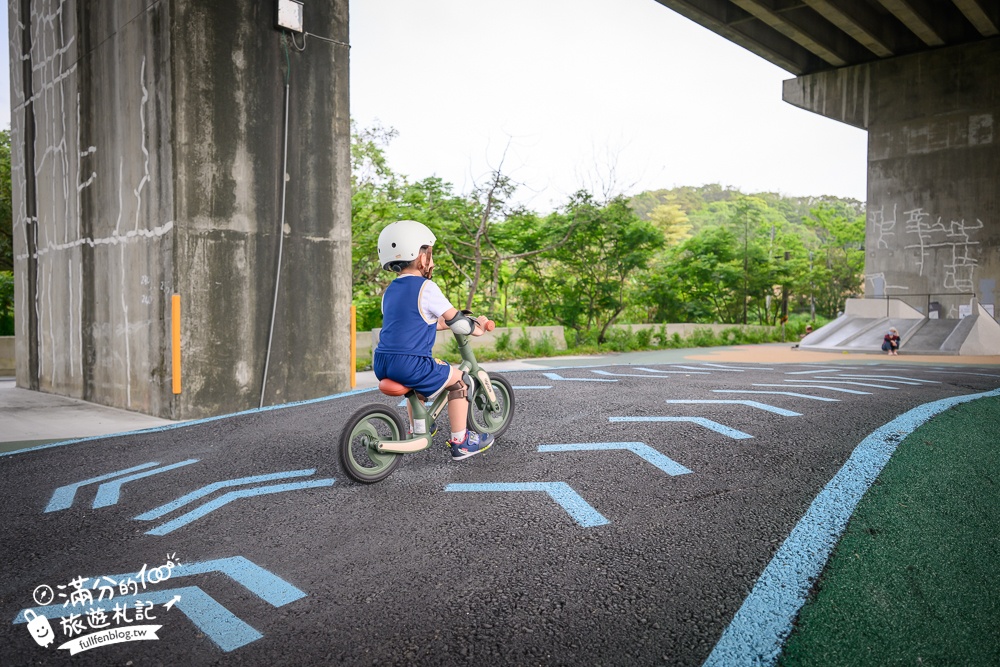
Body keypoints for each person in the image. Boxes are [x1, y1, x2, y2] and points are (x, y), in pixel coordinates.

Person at [373, 220, 494, 461]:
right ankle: (461, 442)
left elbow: (413, 322)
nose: (433, 261)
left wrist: (439, 323)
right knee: (461, 381)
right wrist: (477, 328)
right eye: (429, 253)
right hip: (411, 363)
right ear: (418, 255)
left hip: (382, 362)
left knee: (416, 385)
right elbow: (458, 323)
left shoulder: (389, 291)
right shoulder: (426, 287)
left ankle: (419, 427)